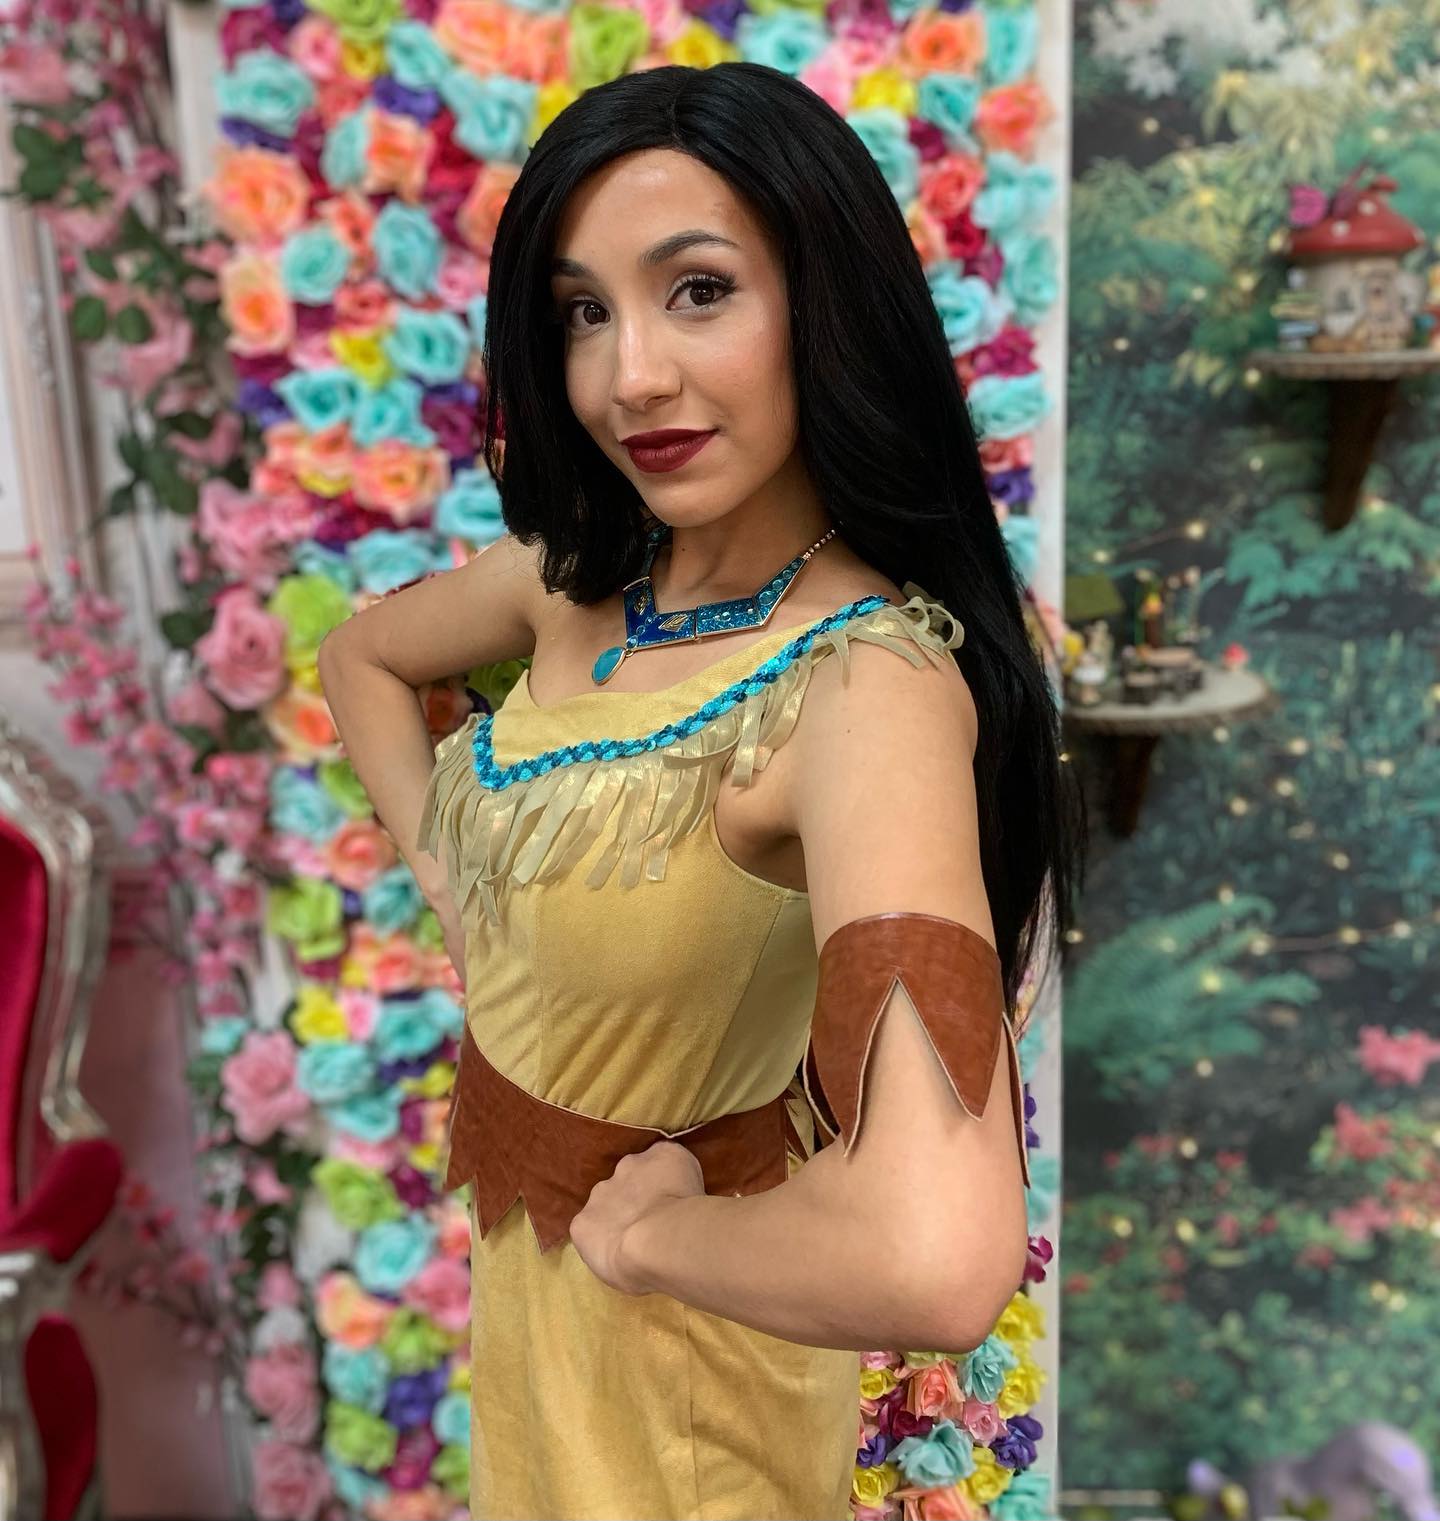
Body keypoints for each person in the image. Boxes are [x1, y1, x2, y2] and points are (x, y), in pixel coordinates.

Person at [318, 60, 1081, 1521]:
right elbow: (362, 658)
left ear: (827, 302)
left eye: (700, 291)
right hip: (535, 1363)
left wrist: (651, 1238)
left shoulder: (862, 692)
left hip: (689, 1423)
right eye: (583, 313)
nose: (630, 378)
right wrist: (447, 876)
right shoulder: (571, 587)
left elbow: (937, 1257)